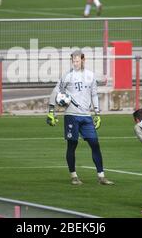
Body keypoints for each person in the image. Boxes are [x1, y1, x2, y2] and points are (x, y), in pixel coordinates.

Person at [46, 50, 114, 185]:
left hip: (86, 116)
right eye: (73, 61)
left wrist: (97, 113)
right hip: (71, 115)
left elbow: (94, 95)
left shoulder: (90, 76)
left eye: (77, 60)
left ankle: (101, 176)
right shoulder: (67, 76)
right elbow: (55, 91)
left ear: (83, 60)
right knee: (72, 145)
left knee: (95, 144)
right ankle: (74, 176)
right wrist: (51, 111)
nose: (75, 63)